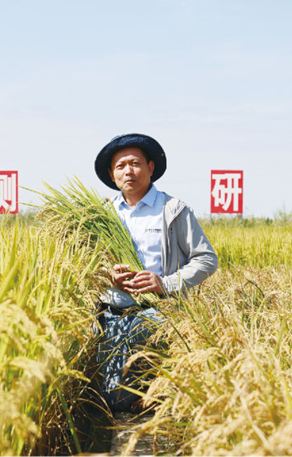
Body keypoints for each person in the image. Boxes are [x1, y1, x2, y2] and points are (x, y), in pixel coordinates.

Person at [93, 133, 218, 412]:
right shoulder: (102, 216)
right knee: (114, 401)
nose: (128, 171)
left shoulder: (172, 210)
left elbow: (206, 259)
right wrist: (108, 276)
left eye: (135, 163)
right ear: (112, 175)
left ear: (150, 167)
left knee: (160, 399)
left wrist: (165, 283)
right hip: (114, 315)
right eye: (120, 166)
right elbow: (86, 264)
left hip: (159, 313)